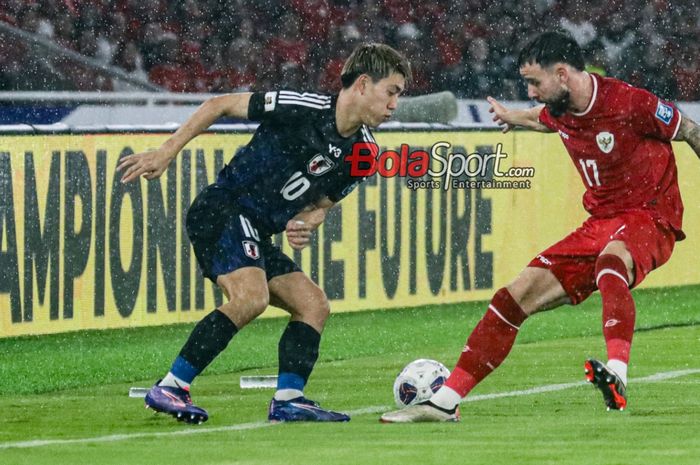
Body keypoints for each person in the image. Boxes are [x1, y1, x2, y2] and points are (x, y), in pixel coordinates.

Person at [380, 31, 700, 423]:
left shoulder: (630, 102)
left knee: (610, 263)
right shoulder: (560, 109)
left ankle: (617, 372)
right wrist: (514, 118)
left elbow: (690, 130)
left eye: (534, 82)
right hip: (600, 222)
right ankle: (444, 402)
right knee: (512, 298)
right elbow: (545, 120)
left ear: (563, 74)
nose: (529, 92)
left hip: (650, 215)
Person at [118, 43, 411, 424]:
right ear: (363, 84)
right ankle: (172, 385)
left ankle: (289, 399)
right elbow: (219, 105)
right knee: (251, 297)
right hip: (224, 208)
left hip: (255, 230)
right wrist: (167, 151)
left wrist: (306, 223)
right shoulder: (301, 107)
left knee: (313, 305)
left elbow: (322, 204)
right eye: (392, 92)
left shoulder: (365, 153)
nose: (394, 105)